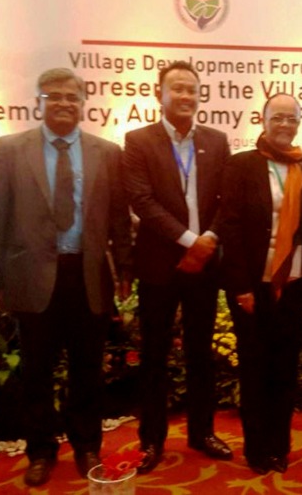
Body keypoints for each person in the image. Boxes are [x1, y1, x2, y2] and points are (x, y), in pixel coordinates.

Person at [0, 68, 132, 486]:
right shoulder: (11, 149)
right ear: (39, 102)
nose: (64, 103)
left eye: (72, 96)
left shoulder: (107, 152)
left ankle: (87, 446)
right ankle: (40, 450)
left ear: (83, 103)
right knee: (37, 371)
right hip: (32, 276)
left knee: (88, 369)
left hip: (87, 273)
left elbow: (119, 217)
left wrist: (124, 268)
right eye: (54, 96)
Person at [123, 60, 232, 473]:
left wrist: (210, 241)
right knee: (154, 354)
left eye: (192, 89)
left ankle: (202, 432)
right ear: (160, 94)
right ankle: (151, 439)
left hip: (205, 267)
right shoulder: (138, 140)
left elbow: (226, 200)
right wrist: (190, 241)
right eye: (177, 89)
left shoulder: (216, 141)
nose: (186, 96)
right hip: (160, 265)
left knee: (201, 352)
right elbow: (141, 200)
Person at [219, 93, 302, 474]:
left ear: (299, 124)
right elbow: (229, 226)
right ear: (262, 120)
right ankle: (256, 449)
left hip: (292, 284)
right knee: (254, 368)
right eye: (277, 117)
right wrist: (240, 286)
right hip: (252, 286)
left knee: (285, 368)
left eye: (291, 118)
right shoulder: (241, 164)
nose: (284, 124)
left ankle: (279, 447)